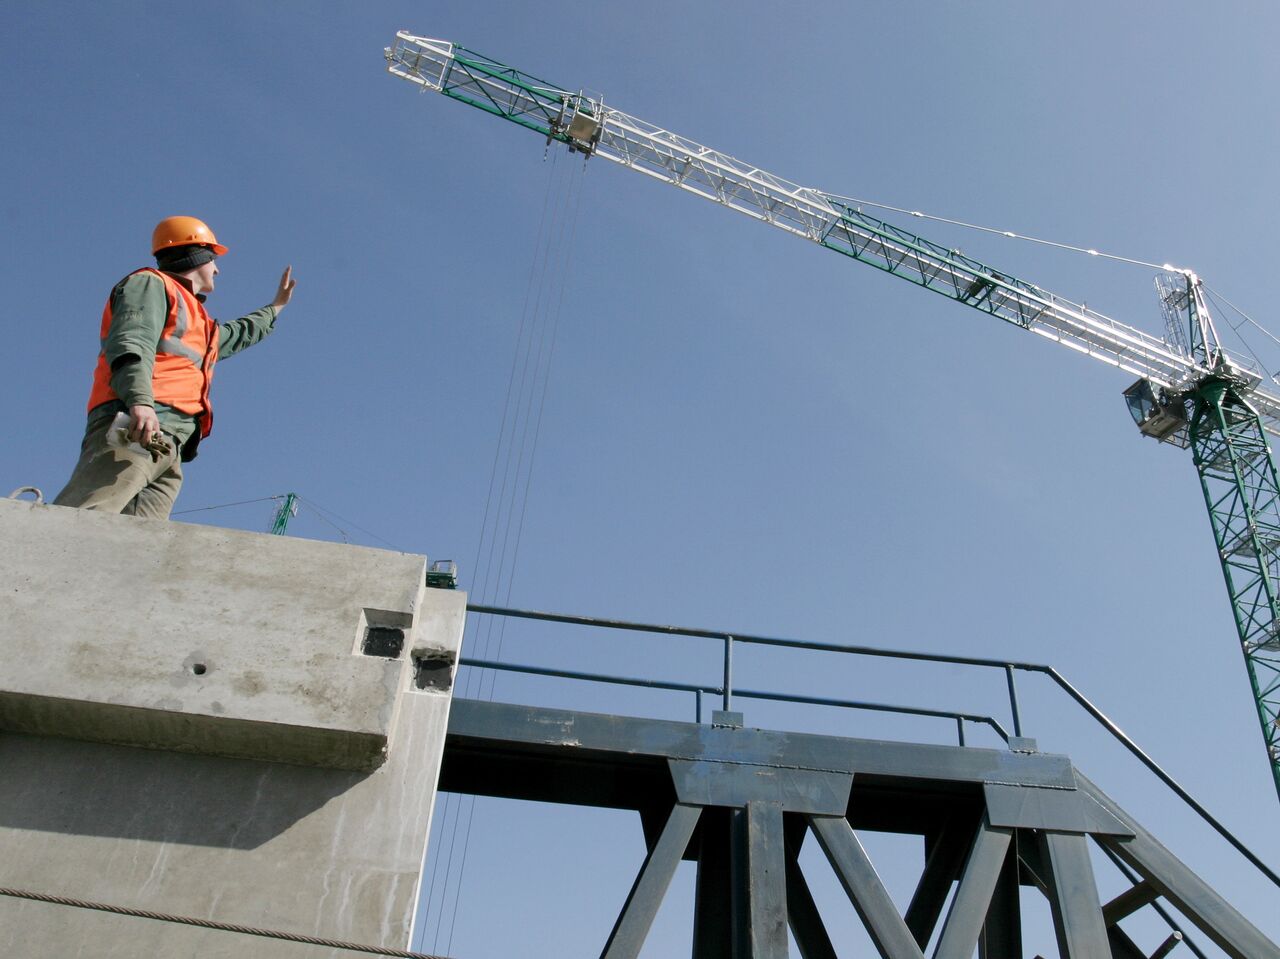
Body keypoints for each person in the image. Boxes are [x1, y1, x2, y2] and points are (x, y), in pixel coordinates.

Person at [54, 216, 296, 519]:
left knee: (143, 544)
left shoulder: (198, 318)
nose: (217, 269)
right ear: (199, 255)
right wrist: (140, 402)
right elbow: (132, 343)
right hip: (137, 421)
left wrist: (274, 308)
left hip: (170, 441)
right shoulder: (150, 284)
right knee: (86, 517)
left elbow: (232, 336)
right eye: (214, 260)